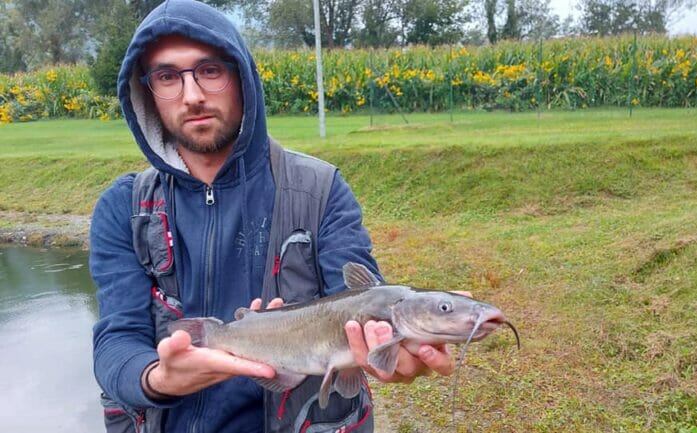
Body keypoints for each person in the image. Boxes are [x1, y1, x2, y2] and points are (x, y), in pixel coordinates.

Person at [89, 1, 455, 432]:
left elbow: (361, 300)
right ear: (146, 92)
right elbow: (117, 342)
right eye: (168, 76)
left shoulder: (321, 190)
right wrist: (158, 378)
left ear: (242, 76)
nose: (192, 96)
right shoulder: (123, 208)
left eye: (210, 70)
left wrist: (391, 349)